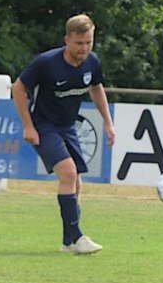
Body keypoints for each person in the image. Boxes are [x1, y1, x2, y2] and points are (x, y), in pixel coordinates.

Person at [12, 14, 115, 254]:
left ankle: (68, 242)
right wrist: (28, 125)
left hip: (67, 127)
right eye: (79, 43)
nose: (85, 48)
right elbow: (19, 88)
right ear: (67, 40)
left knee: (76, 181)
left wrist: (108, 123)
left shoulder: (92, 63)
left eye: (89, 42)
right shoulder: (46, 63)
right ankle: (77, 238)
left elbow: (96, 88)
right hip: (43, 126)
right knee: (68, 174)